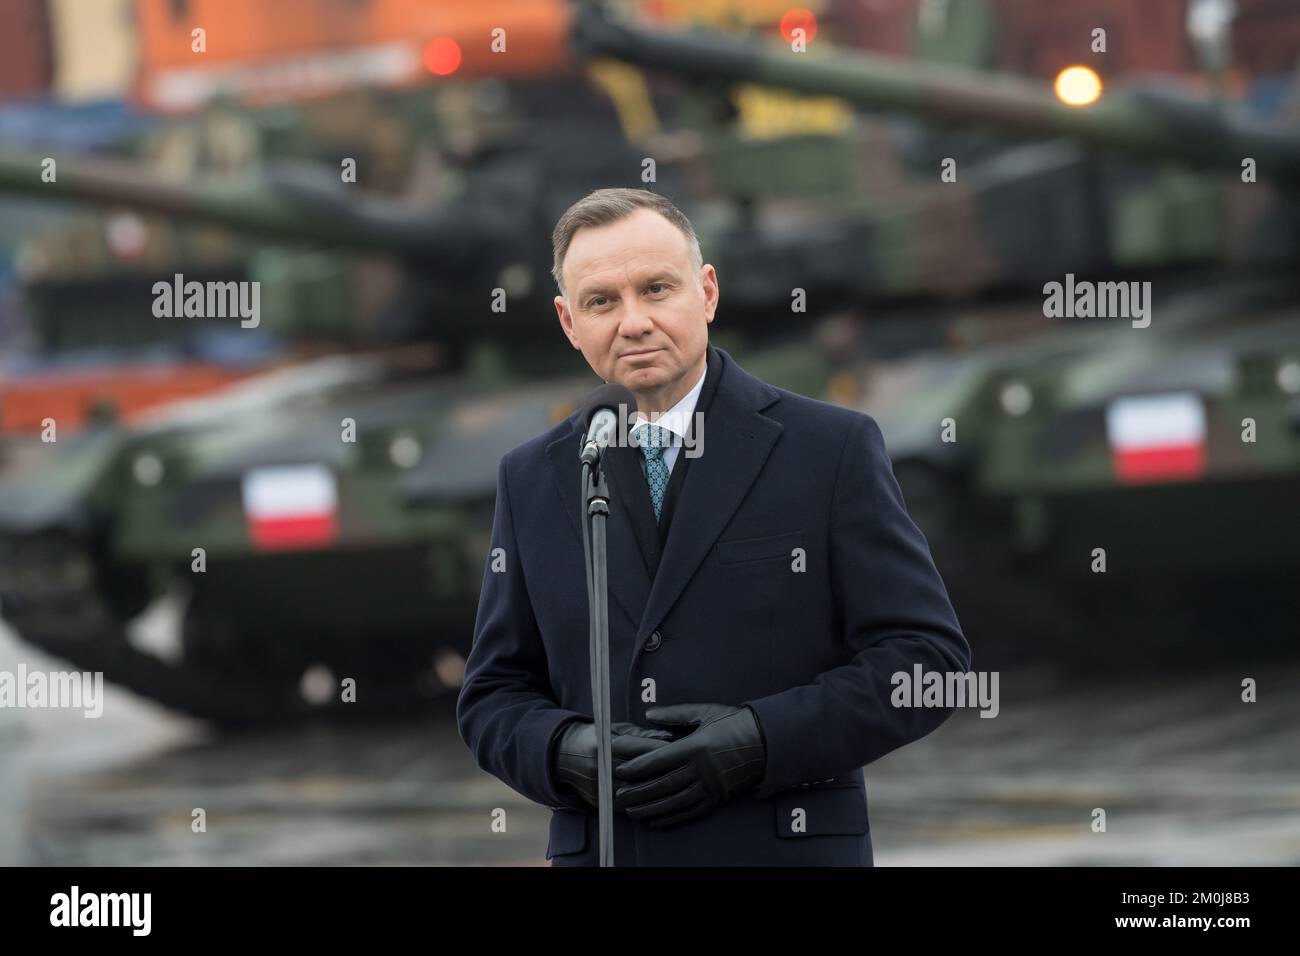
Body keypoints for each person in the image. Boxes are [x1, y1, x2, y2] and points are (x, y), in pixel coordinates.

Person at [456, 187, 971, 866]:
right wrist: (563, 752)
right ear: (567, 321)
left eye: (656, 289)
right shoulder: (532, 477)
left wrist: (757, 743)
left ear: (706, 293)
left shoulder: (827, 447)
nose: (633, 322)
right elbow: (494, 694)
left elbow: (926, 660)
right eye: (601, 301)